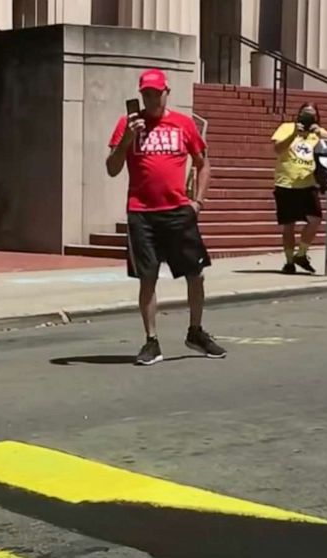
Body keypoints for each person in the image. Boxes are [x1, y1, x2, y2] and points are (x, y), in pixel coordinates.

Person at [106, 68, 226, 366]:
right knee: (147, 278)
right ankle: (151, 342)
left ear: (166, 92)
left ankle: (195, 332)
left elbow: (203, 162)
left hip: (178, 212)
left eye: (156, 93)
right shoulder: (128, 124)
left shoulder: (183, 124)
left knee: (195, 274)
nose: (151, 98)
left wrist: (197, 201)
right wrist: (127, 140)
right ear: (140, 94)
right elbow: (111, 167)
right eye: (146, 94)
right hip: (142, 214)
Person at [270, 102, 327, 274]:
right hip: (286, 182)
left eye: (312, 114)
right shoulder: (287, 127)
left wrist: (318, 131)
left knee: (315, 219)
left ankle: (301, 254)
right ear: (299, 114)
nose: (308, 117)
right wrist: (294, 134)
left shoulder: (317, 133)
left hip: (307, 182)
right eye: (305, 113)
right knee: (289, 225)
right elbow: (278, 149)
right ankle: (289, 261)